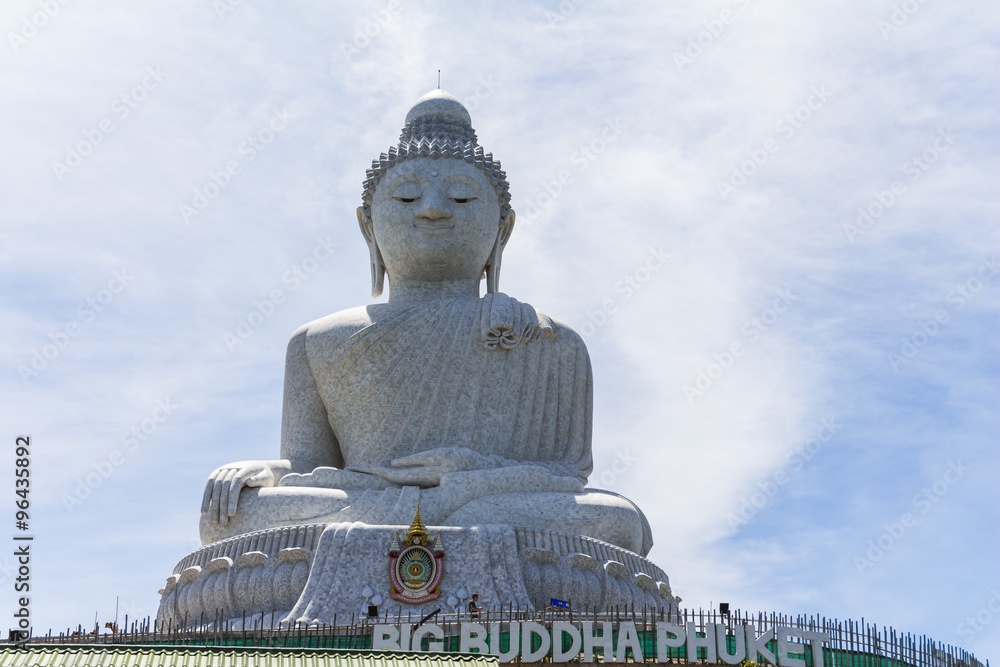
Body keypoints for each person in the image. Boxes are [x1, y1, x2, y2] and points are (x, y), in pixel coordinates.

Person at [198, 90, 652, 557]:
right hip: (368, 499)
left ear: (503, 229)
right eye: (407, 195)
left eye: (460, 195)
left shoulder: (552, 340)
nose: (432, 208)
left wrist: (470, 474)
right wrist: (264, 473)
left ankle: (418, 530)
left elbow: (564, 478)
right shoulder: (316, 341)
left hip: (486, 502)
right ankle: (447, 529)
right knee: (232, 515)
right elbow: (308, 465)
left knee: (616, 522)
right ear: (368, 226)